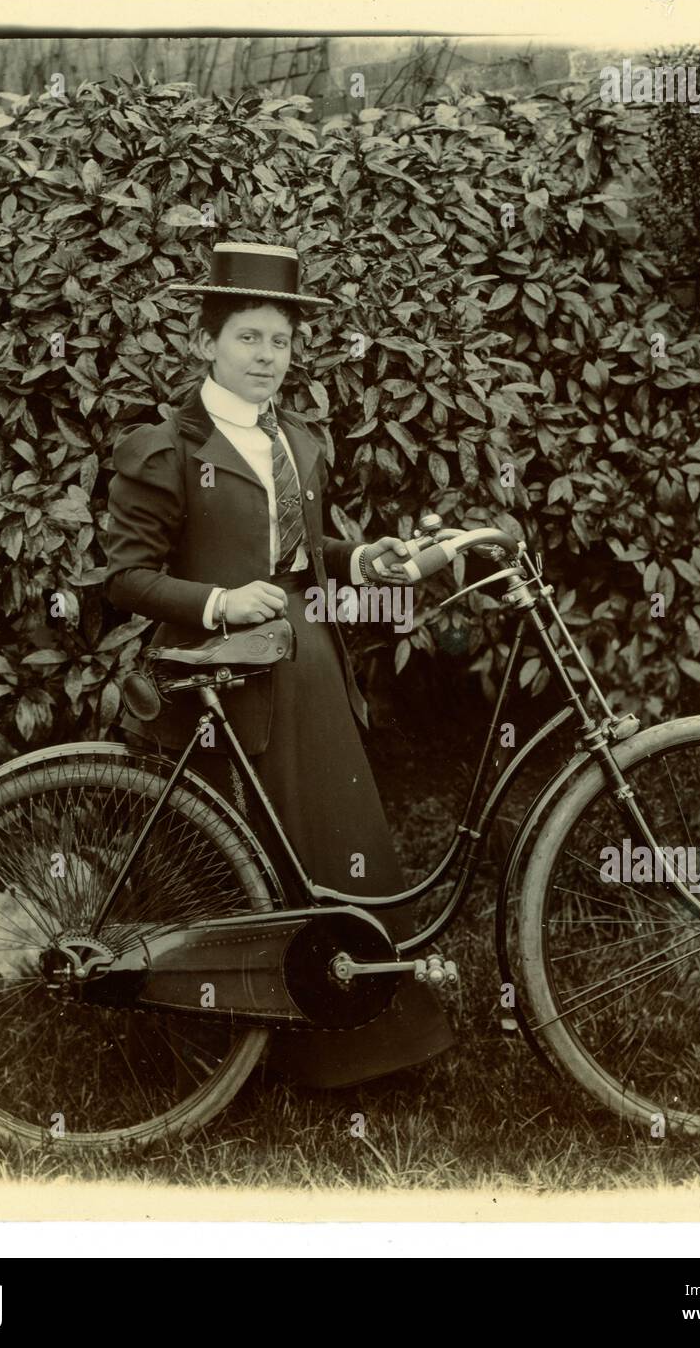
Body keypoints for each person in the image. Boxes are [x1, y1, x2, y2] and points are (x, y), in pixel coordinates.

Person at [104, 240, 455, 1088]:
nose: (269, 358)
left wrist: (368, 561)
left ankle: (368, 1043)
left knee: (337, 840)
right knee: (246, 862)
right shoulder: (165, 448)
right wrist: (219, 603)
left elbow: (304, 555)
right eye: (249, 338)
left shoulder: (298, 439)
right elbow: (124, 576)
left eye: (281, 342)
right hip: (218, 681)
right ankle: (236, 1049)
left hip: (306, 670)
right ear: (206, 343)